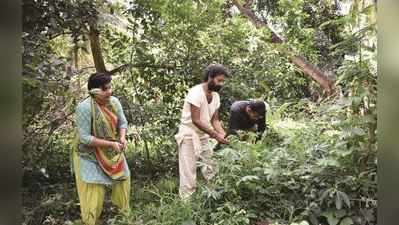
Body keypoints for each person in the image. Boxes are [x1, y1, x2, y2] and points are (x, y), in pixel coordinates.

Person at [72, 72, 130, 225]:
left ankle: (124, 216)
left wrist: (122, 139)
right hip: (88, 153)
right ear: (94, 91)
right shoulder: (84, 108)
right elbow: (84, 138)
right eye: (105, 89)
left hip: (112, 150)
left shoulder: (114, 102)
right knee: (94, 188)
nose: (109, 91)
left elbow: (123, 123)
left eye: (110, 87)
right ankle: (90, 221)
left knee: (123, 178)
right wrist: (111, 144)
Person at [175, 63, 230, 199]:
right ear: (210, 77)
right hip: (189, 135)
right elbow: (196, 120)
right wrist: (216, 135)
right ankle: (186, 205)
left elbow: (215, 120)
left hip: (205, 135)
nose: (221, 84)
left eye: (223, 81)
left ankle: (213, 199)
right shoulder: (196, 92)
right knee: (189, 172)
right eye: (219, 80)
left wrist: (223, 134)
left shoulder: (215, 96)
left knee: (211, 168)